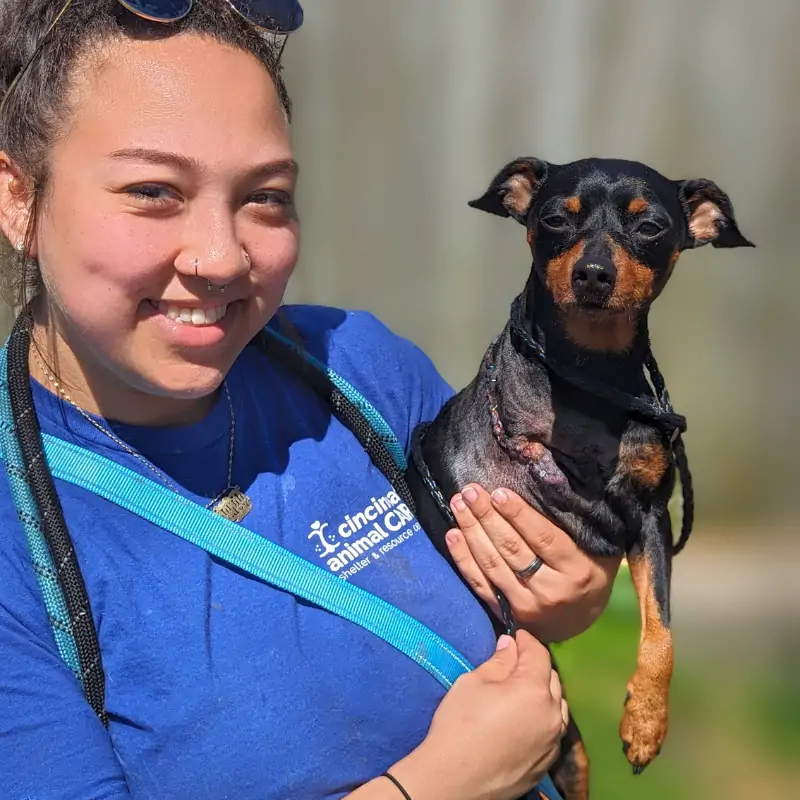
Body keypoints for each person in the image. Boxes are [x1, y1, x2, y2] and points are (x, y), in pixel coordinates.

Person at [0, 2, 620, 798]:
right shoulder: (17, 538)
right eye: (154, 190)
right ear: (18, 198)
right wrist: (437, 785)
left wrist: (570, 594)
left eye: (265, 197)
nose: (222, 257)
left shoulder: (359, 370)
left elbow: (536, 585)